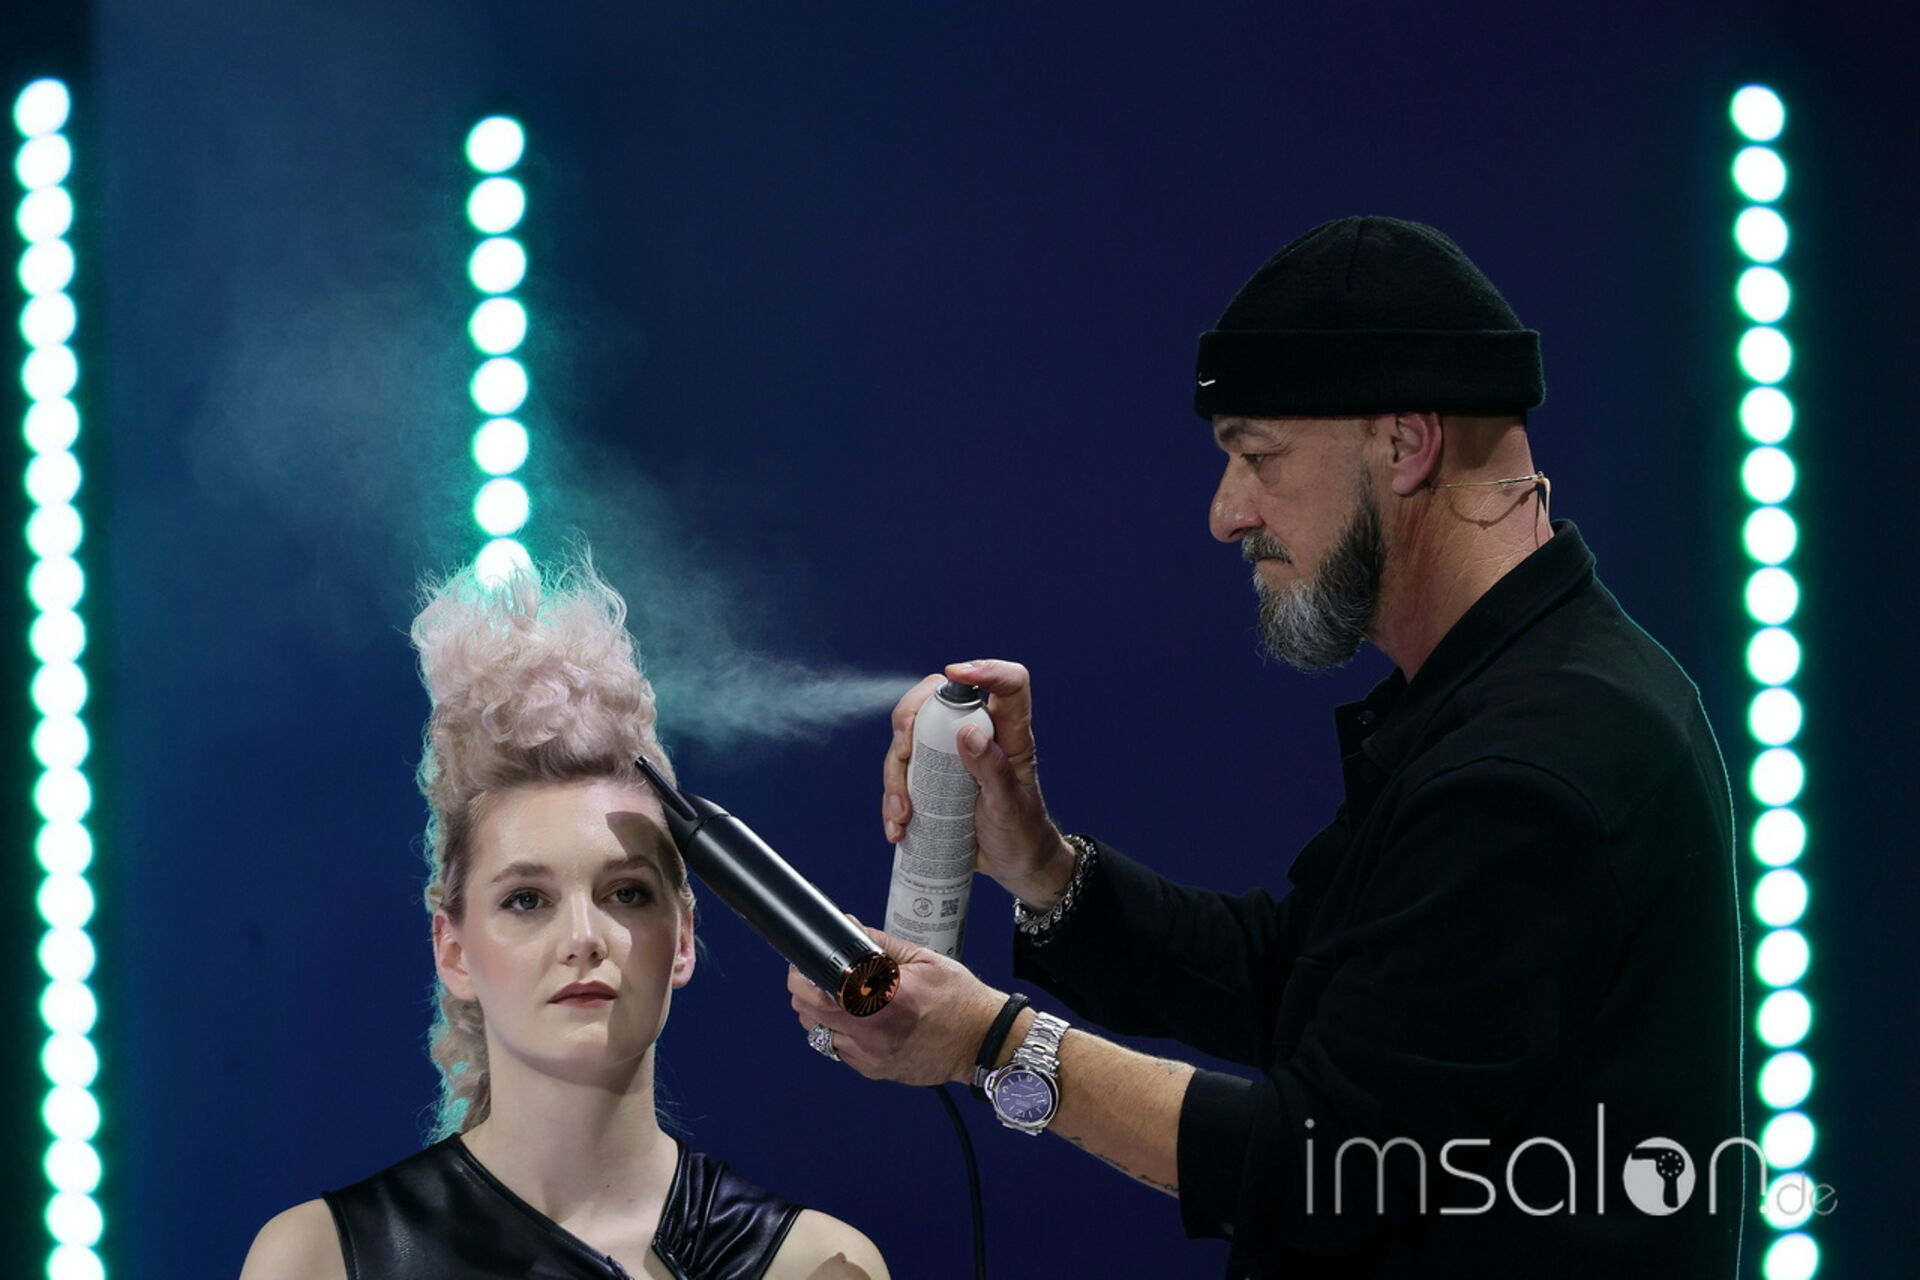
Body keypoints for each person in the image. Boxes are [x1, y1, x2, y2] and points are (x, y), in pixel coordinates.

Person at [789, 216, 1746, 1277]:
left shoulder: (1537, 763)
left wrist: (992, 1042)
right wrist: (1044, 867)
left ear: (1406, 442)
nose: (1225, 513)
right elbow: (1312, 983)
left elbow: (1329, 1163)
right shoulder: (1520, 698)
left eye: (1258, 456)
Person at [241, 554, 888, 1280]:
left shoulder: (813, 1265)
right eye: (527, 900)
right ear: (453, 952)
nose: (583, 938)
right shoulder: (321, 1259)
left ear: (682, 939)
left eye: (627, 893)